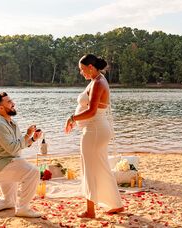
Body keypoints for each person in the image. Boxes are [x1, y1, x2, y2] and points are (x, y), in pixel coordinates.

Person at [64, 54, 124, 218]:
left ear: (91, 67)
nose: (81, 73)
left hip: (94, 131)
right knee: (102, 167)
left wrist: (72, 118)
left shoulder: (98, 83)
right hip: (97, 130)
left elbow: (91, 112)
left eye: (82, 69)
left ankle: (90, 211)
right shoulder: (97, 80)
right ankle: (116, 204)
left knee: (89, 170)